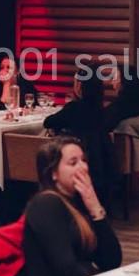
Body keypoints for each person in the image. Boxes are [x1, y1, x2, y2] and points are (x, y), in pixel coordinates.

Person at [21, 137, 121, 276]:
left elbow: (112, 260)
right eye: (73, 163)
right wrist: (95, 274)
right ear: (53, 173)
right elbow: (65, 268)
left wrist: (95, 208)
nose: (83, 167)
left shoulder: (79, 201)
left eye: (83, 160)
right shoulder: (46, 204)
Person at [44, 61, 112, 202]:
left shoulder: (74, 109)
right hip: (101, 167)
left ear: (80, 86)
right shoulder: (101, 110)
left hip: (77, 164)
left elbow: (48, 122)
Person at [101, 63, 139, 130]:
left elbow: (99, 125)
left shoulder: (120, 108)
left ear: (125, 82)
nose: (112, 83)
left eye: (115, 79)